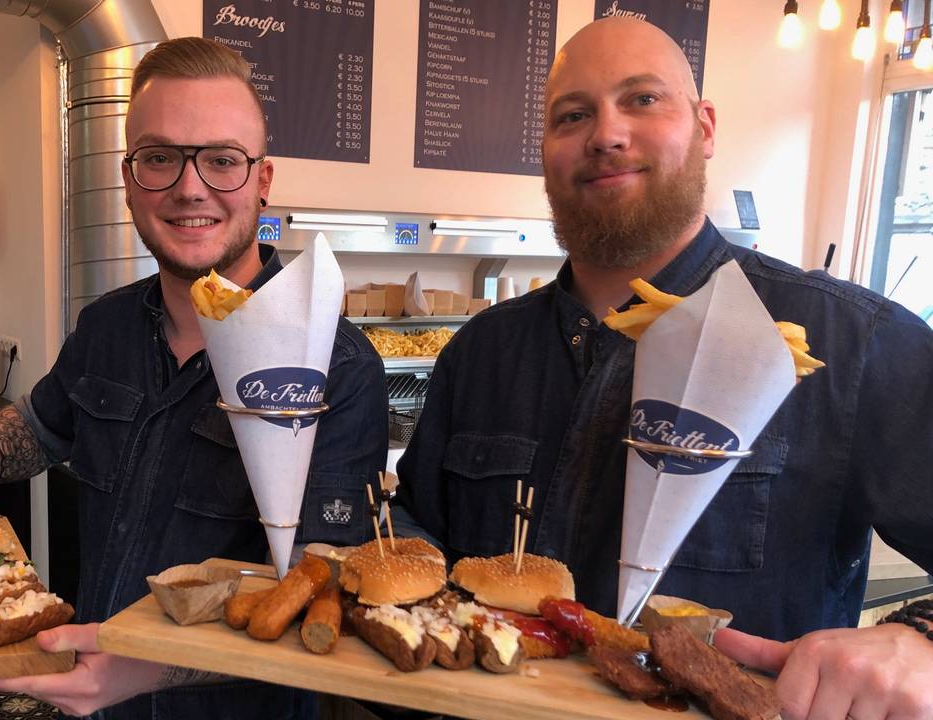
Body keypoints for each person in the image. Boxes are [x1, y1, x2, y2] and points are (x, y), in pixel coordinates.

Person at [396, 17, 933, 720]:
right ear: (546, 150)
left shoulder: (854, 344)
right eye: (573, 114)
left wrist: (919, 639)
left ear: (705, 127)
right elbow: (416, 547)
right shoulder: (482, 354)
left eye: (643, 100)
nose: (606, 134)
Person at [0, 37, 388, 719]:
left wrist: (146, 669)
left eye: (222, 160)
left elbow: (320, 589)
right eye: (161, 158)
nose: (190, 187)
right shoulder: (105, 326)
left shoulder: (337, 368)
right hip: (96, 700)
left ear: (263, 179)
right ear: (130, 178)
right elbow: (42, 426)